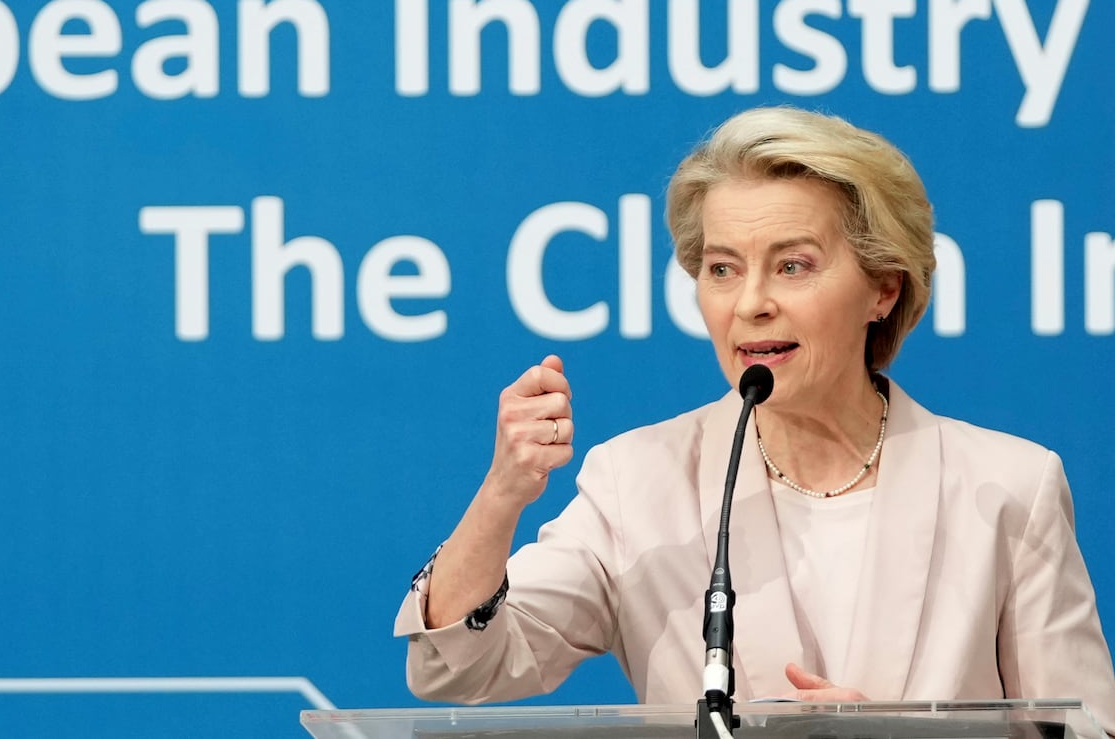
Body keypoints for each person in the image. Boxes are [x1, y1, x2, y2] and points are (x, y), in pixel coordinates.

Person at [395, 106, 1115, 729]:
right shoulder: (637, 482)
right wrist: (502, 494)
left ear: (883, 289)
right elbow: (459, 669)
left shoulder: (1008, 489)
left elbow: (1086, 731)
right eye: (722, 268)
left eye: (793, 265)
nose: (750, 303)